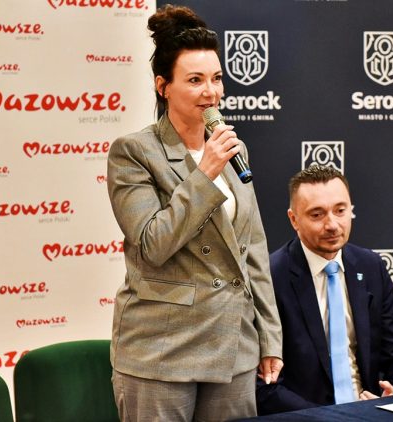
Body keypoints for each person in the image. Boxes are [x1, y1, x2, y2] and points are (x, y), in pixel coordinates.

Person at [106, 5, 282, 421]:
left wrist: (269, 337)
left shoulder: (233, 149)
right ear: (163, 86)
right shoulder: (134, 152)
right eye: (195, 80)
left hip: (233, 345)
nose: (211, 92)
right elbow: (153, 243)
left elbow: (253, 248)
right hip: (161, 350)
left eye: (217, 78)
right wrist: (204, 174)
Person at [256, 165, 393, 414]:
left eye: (340, 211)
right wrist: (330, 417)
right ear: (294, 219)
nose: (332, 224)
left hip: (371, 412)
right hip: (306, 417)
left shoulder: (371, 266)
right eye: (317, 214)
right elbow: (265, 385)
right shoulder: (269, 277)